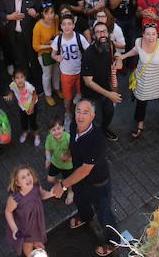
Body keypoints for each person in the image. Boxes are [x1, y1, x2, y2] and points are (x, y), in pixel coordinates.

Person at [51, 99, 120, 256]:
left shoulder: (97, 140)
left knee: (104, 214)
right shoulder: (74, 126)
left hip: (98, 184)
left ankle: (113, 241)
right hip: (79, 180)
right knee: (81, 201)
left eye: (85, 113)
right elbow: (73, 144)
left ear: (92, 116)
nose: (80, 116)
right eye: (78, 111)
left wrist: (62, 185)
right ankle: (85, 216)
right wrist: (68, 154)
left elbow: (84, 170)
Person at [119, 23, 159, 139]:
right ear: (143, 35)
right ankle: (140, 125)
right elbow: (136, 50)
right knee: (141, 101)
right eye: (148, 34)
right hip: (143, 79)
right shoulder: (138, 42)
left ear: (157, 35)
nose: (151, 37)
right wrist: (123, 56)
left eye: (154, 34)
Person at [80, 21, 122, 142]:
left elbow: (116, 57)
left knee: (109, 114)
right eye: (98, 32)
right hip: (92, 95)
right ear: (94, 36)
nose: (102, 34)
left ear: (108, 33)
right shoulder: (88, 55)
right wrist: (109, 94)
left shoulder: (109, 46)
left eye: (104, 31)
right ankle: (95, 140)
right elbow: (88, 82)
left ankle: (104, 130)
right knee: (96, 120)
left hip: (107, 90)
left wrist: (119, 61)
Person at [5, 165, 53, 255]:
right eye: (23, 177)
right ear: (18, 183)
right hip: (25, 227)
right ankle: (30, 254)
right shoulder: (15, 199)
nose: (28, 178)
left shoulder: (36, 186)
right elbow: (8, 212)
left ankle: (36, 242)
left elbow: (41, 194)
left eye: (28, 174)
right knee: (28, 244)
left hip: (36, 220)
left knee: (37, 234)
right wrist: (14, 229)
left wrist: (51, 193)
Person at [51, 13, 88, 126]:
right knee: (67, 97)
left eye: (69, 24)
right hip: (66, 73)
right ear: (61, 26)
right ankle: (68, 114)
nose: (67, 27)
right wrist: (56, 57)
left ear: (73, 25)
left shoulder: (79, 38)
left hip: (79, 71)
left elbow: (88, 51)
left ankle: (81, 114)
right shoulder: (58, 39)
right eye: (64, 24)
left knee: (82, 94)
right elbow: (53, 53)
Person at [32, 3, 61, 106]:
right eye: (47, 13)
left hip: (55, 52)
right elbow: (35, 46)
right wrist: (50, 46)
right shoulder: (38, 26)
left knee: (57, 71)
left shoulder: (55, 21)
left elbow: (58, 33)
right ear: (42, 14)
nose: (50, 15)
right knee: (47, 74)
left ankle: (57, 88)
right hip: (44, 55)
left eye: (52, 12)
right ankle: (48, 94)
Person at [5, 66, 40, 145]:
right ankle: (25, 132)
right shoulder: (13, 85)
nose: (20, 79)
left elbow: (34, 95)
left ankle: (37, 135)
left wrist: (32, 107)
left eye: (21, 77)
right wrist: (10, 95)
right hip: (22, 106)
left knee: (33, 122)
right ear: (13, 79)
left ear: (25, 78)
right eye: (17, 78)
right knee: (23, 121)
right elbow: (12, 89)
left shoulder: (28, 87)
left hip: (32, 105)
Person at [44, 117, 73, 203]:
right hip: (55, 162)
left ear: (63, 127)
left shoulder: (68, 138)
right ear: (50, 131)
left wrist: (69, 159)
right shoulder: (49, 138)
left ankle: (71, 192)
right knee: (50, 179)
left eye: (58, 129)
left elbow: (75, 152)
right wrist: (48, 158)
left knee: (69, 181)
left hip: (68, 166)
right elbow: (47, 149)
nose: (56, 132)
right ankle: (61, 183)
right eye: (53, 130)